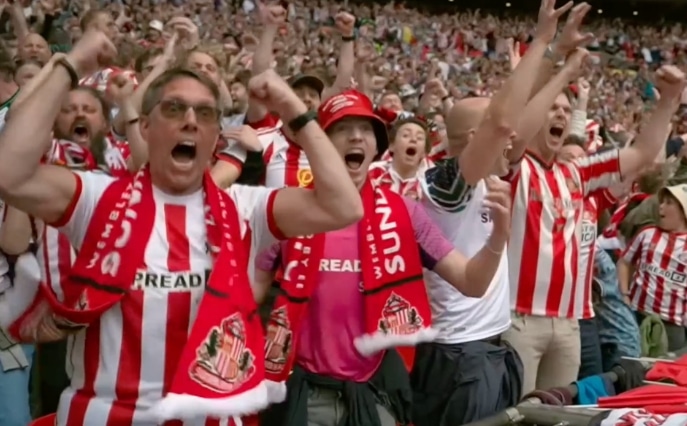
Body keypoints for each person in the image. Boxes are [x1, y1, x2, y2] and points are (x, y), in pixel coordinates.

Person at [0, 31, 363, 425]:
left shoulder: (245, 209)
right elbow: (10, 175)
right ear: (146, 126)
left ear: (215, 137)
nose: (190, 121)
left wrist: (293, 107)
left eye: (205, 114)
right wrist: (70, 66)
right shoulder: (96, 197)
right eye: (174, 109)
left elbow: (343, 206)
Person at [256, 88, 512, 426]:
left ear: (377, 147)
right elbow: (249, 294)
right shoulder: (287, 211)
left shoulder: (404, 214)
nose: (356, 137)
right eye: (342, 129)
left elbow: (471, 282)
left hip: (377, 394)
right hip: (305, 396)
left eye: (366, 129)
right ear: (320, 145)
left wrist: (498, 237)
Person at [500, 2, 687, 394]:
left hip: (570, 323)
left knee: (558, 413)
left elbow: (642, 154)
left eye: (566, 110)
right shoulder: (515, 166)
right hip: (519, 319)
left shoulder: (580, 174)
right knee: (515, 413)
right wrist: (558, 63)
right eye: (551, 107)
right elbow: (512, 120)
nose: (559, 114)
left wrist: (669, 101)